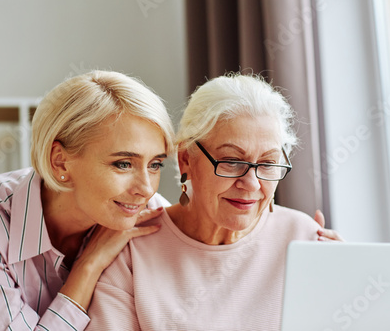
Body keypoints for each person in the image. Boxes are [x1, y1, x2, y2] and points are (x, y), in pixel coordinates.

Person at [87, 73, 343, 330]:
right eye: (232, 161)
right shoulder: (133, 252)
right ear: (186, 159)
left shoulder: (304, 239)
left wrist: (350, 284)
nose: (252, 184)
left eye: (267, 164)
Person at [0, 70, 175, 330]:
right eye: (123, 163)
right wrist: (88, 265)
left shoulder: (145, 214)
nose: (145, 189)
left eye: (155, 165)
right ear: (60, 161)